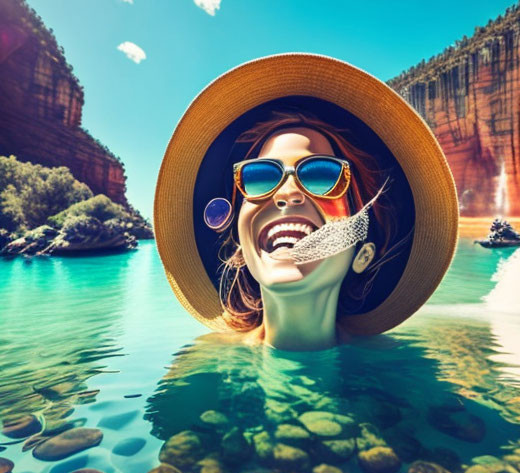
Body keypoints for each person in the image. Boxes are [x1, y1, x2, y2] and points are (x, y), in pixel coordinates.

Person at [154, 54, 458, 350]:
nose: (286, 193)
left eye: (322, 175)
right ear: (242, 250)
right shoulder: (204, 370)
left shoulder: (401, 380)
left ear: (363, 254)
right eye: (260, 176)